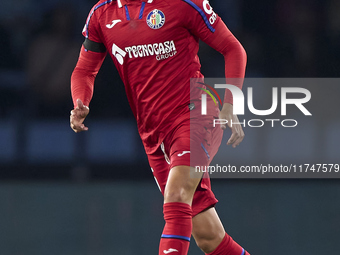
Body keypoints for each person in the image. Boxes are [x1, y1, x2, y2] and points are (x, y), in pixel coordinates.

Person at [70, 0, 249, 254]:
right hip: (153, 133)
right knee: (208, 236)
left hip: (195, 113)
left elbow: (233, 49)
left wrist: (230, 105)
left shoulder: (183, 4)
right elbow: (84, 70)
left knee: (176, 195)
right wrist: (80, 100)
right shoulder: (101, 14)